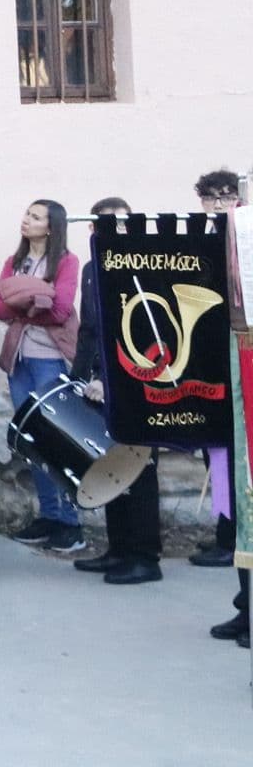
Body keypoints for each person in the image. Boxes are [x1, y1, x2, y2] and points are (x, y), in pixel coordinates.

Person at [67, 196, 164, 586]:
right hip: (97, 383)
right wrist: (78, 377)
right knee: (110, 466)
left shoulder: (143, 264)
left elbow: (146, 332)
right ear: (92, 230)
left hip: (136, 382)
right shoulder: (92, 268)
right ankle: (118, 549)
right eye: (105, 225)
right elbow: (91, 330)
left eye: (122, 225)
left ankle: (144, 556)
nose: (114, 232)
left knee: (139, 470)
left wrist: (112, 381)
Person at [0, 198, 84, 553]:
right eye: (27, 213)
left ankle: (71, 525)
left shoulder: (67, 262)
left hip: (48, 359)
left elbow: (60, 310)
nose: (26, 220)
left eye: (36, 216)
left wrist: (20, 304)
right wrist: (34, 298)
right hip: (18, 361)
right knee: (32, 442)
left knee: (57, 440)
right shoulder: (14, 262)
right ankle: (49, 515)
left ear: (52, 226)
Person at [192, 169, 242, 570]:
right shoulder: (202, 242)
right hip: (213, 364)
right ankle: (227, 535)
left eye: (227, 195)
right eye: (211, 197)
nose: (220, 203)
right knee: (219, 455)